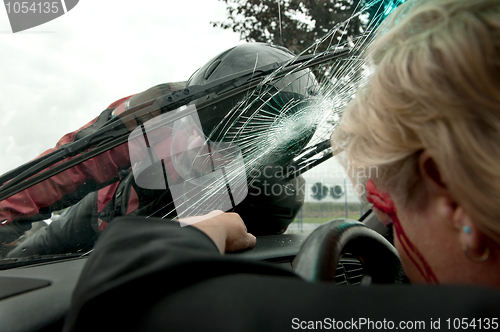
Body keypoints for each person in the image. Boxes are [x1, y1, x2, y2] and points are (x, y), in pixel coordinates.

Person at [62, 0, 500, 332]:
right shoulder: (156, 118)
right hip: (89, 215)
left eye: (387, 208)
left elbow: (122, 299)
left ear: (451, 194)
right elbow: (73, 162)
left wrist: (205, 231)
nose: (383, 227)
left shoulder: (274, 189)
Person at [0, 43, 313, 257]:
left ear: (263, 154)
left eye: (221, 148)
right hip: (103, 208)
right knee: (26, 255)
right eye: (194, 124)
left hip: (157, 250)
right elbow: (73, 163)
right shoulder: (157, 108)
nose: (194, 145)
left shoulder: (277, 196)